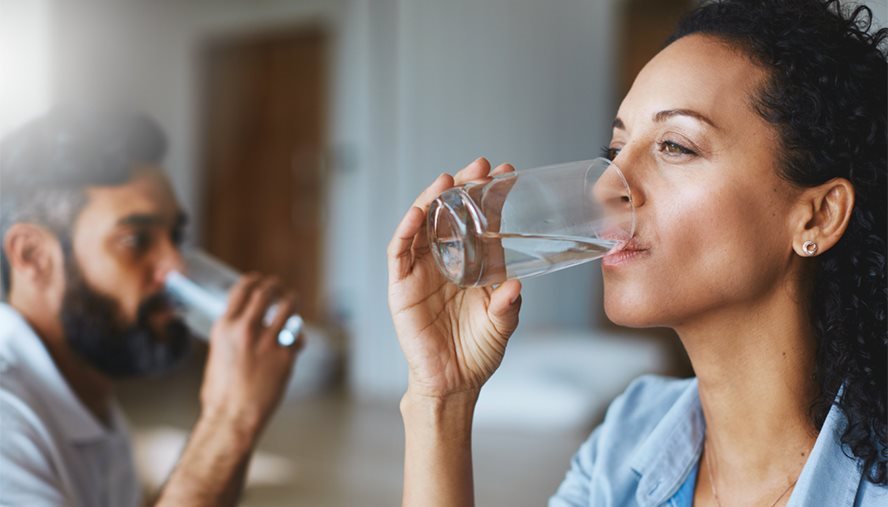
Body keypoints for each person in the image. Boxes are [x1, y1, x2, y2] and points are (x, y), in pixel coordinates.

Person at [387, 0, 886, 505]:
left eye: (676, 146)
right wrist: (442, 399)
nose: (607, 188)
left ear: (818, 216)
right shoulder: (628, 436)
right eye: (615, 151)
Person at [0, 108, 302, 506]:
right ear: (33, 255)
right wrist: (229, 420)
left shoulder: (91, 395)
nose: (177, 265)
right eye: (136, 240)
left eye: (175, 236)